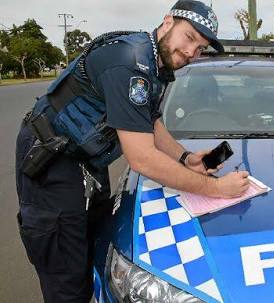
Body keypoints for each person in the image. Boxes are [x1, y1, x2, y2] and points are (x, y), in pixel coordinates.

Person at [15, 1, 249, 302]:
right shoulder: (129, 62)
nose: (192, 52)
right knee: (67, 280)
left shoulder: (155, 64)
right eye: (189, 37)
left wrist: (185, 158)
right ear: (167, 23)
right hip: (53, 163)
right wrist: (217, 188)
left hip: (87, 164)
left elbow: (149, 121)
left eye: (201, 47)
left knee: (95, 257)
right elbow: (141, 158)